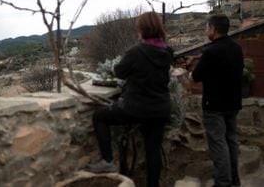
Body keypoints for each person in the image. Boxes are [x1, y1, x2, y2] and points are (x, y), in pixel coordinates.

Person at [85, 11, 173, 187]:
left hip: (136, 107)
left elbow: (119, 71)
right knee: (152, 151)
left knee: (100, 117)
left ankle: (108, 161)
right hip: (161, 108)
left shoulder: (136, 52)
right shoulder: (167, 51)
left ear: (142, 29)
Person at [191, 14, 243, 187]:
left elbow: (196, 77)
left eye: (207, 27)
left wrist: (190, 72)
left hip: (214, 105)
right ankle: (234, 179)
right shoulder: (237, 48)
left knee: (218, 143)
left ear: (213, 29)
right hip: (233, 103)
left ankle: (222, 182)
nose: (206, 30)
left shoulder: (211, 51)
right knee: (232, 141)